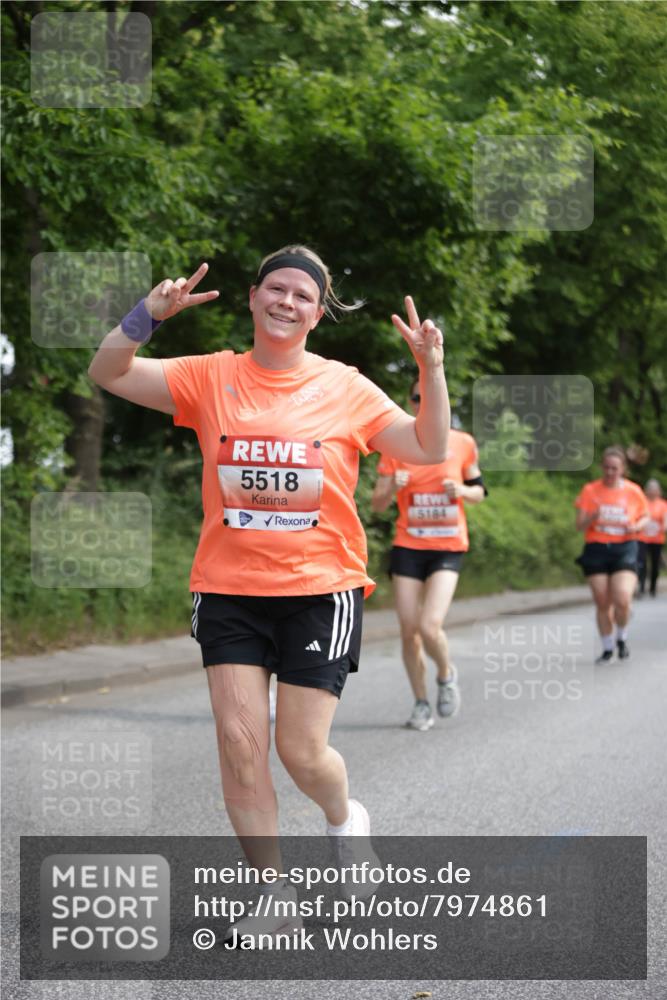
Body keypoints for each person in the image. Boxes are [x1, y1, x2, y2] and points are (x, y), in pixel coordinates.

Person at [88, 245, 449, 935]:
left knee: (300, 752)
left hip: (321, 587)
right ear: (253, 298)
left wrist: (430, 368)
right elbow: (107, 371)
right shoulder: (210, 378)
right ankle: (274, 898)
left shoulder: (345, 386)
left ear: (317, 314)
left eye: (302, 296)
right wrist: (147, 314)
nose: (287, 301)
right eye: (275, 289)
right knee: (238, 740)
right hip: (227, 586)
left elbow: (428, 447)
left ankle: (344, 821)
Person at [371, 380, 485, 731]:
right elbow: (377, 505)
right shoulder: (397, 443)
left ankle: (446, 674)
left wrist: (463, 490)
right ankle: (421, 703)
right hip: (409, 546)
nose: (423, 403)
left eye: (428, 397)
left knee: (428, 624)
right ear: (411, 401)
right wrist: (393, 485)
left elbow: (480, 491)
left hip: (448, 546)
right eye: (417, 398)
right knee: (409, 631)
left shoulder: (463, 442)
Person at [574, 446, 648, 663]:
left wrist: (635, 526)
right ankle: (607, 647)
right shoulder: (590, 490)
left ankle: (621, 637)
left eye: (614, 468)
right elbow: (579, 525)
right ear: (601, 467)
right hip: (596, 548)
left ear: (623, 469)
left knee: (622, 598)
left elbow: (645, 518)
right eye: (606, 467)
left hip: (624, 547)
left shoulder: (633, 491)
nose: (609, 472)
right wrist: (592, 517)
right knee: (602, 601)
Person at [637, 478, 667, 597]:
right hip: (642, 537)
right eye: (650, 489)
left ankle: (653, 588)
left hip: (657, 539)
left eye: (654, 490)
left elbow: (665, 519)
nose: (652, 492)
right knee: (642, 563)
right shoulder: (642, 502)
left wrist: (664, 526)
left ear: (658, 491)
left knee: (655, 564)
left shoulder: (663, 504)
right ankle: (641, 587)